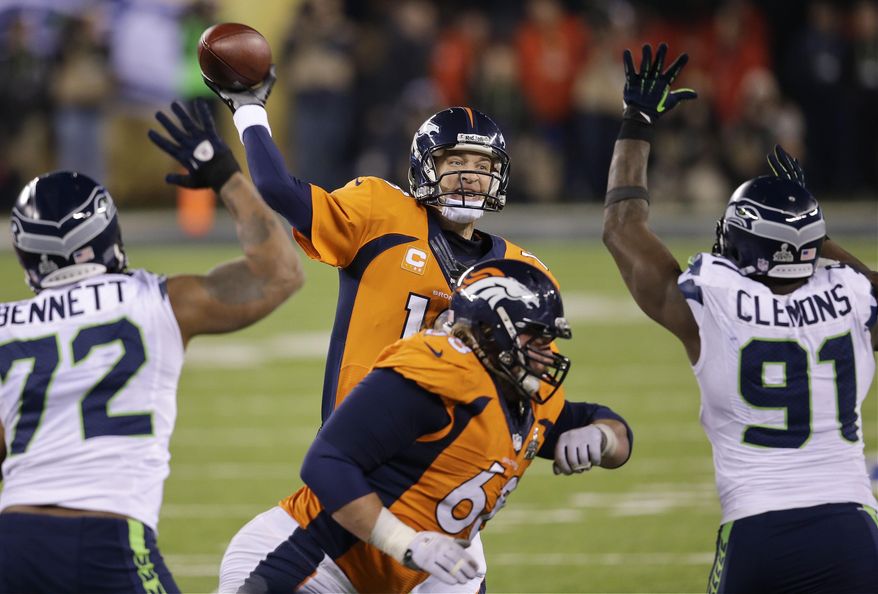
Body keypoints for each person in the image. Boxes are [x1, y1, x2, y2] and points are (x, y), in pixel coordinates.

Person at [204, 65, 565, 591]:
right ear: (424, 167)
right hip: (362, 468)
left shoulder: (522, 273)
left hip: (445, 496)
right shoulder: (380, 212)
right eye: (453, 161)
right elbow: (277, 189)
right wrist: (249, 109)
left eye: (480, 164)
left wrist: (589, 430)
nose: (467, 174)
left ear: (500, 175)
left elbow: (533, 393)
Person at [602, 42, 878, 593]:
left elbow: (621, 228)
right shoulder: (853, 295)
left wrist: (637, 121)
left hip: (759, 531)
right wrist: (811, 230)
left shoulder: (715, 300)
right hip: (852, 527)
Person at [0, 99, 303, 593]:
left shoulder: (6, 326)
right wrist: (225, 174)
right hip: (108, 534)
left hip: (13, 539)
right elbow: (281, 274)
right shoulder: (155, 301)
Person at [236, 259, 632, 593]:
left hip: (410, 572)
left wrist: (601, 436)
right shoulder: (440, 375)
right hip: (309, 560)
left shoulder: (528, 395)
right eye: (536, 338)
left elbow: (612, 431)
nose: (547, 354)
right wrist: (405, 542)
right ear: (491, 331)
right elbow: (325, 463)